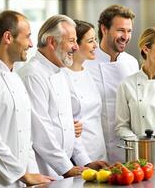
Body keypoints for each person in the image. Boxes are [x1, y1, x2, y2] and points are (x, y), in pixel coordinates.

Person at [17, 15, 107, 180]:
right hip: (42, 171)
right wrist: (67, 168)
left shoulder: (60, 72)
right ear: (52, 42)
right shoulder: (32, 75)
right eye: (72, 41)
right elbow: (41, 132)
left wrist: (85, 163)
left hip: (60, 172)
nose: (75, 47)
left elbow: (68, 128)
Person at [0, 10, 53, 187]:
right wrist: (23, 175)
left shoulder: (16, 78)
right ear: (8, 37)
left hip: (20, 181)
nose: (31, 44)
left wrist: (33, 177)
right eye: (27, 37)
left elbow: (26, 138)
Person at [84, 4, 139, 162]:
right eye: (121, 30)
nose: (126, 36)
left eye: (129, 31)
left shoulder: (132, 63)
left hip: (126, 150)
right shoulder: (85, 63)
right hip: (93, 151)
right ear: (104, 29)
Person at [64, 20, 108, 164]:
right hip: (76, 156)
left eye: (95, 39)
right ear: (76, 44)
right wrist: (85, 162)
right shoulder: (63, 76)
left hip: (98, 150)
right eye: (90, 41)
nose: (96, 45)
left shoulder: (87, 72)